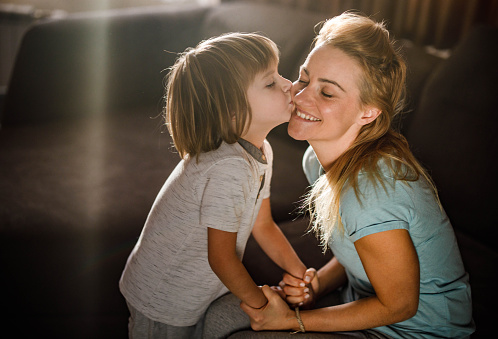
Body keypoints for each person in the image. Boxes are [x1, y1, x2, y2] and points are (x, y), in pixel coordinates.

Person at [238, 12, 475, 338]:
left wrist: (293, 322)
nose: (300, 96)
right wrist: (316, 286)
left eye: (328, 93)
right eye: (304, 78)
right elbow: (363, 253)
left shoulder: (371, 193)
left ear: (369, 112)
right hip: (365, 310)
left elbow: (400, 306)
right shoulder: (316, 159)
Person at [119, 32, 308, 338]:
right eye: (270, 82)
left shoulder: (262, 150)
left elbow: (263, 225)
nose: (288, 84)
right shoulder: (228, 168)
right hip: (165, 298)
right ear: (231, 109)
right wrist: (264, 307)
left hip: (196, 288)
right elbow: (221, 258)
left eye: (279, 74)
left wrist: (300, 273)